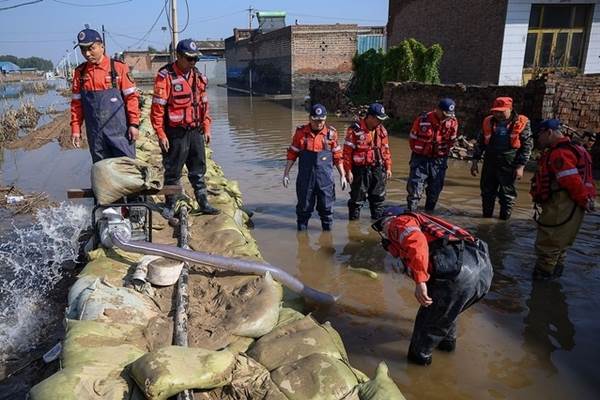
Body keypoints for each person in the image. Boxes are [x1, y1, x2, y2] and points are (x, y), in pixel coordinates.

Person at [372, 206, 493, 365]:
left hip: (458, 274)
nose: (384, 233)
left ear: (389, 219)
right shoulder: (422, 222)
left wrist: (420, 282)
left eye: (382, 227)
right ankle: (447, 356)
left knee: (423, 336)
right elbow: (411, 249)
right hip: (482, 269)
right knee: (447, 315)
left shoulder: (398, 222)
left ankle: (418, 375)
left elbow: (416, 243)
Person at [150, 38, 220, 216]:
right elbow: (157, 109)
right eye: (189, 59)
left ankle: (203, 202)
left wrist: (207, 127)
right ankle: (170, 204)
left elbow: (204, 104)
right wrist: (160, 133)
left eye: (195, 59)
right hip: (175, 133)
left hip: (195, 130)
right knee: (173, 171)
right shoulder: (165, 77)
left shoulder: (198, 76)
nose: (193, 62)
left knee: (198, 169)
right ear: (178, 56)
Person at [530, 119, 596, 280]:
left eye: (539, 135)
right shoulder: (576, 149)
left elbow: (571, 180)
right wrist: (587, 200)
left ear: (549, 132)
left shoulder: (560, 153)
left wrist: (583, 200)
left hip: (563, 204)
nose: (538, 140)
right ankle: (553, 284)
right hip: (572, 204)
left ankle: (540, 287)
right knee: (560, 246)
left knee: (548, 245)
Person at [70, 28, 140, 163]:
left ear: (102, 46)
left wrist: (134, 124)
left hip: (121, 134)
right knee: (102, 172)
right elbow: (76, 105)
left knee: (125, 169)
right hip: (96, 136)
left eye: (91, 48)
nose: (87, 54)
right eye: (83, 50)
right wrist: (75, 129)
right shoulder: (80, 73)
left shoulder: (118, 68)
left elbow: (131, 98)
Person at [283, 104, 347, 231]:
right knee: (303, 210)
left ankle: (327, 239)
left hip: (325, 180)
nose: (319, 123)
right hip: (305, 180)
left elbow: (338, 156)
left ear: (325, 119)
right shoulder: (301, 133)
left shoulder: (331, 134)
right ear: (310, 118)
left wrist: (343, 175)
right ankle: (302, 240)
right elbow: (292, 154)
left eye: (321, 120)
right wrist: (286, 173)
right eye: (316, 120)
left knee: (327, 210)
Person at [471, 97, 533, 220]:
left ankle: (504, 222)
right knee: (487, 192)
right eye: (496, 111)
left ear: (510, 109)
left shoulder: (521, 122)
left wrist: (521, 166)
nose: (498, 114)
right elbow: (480, 142)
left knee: (507, 194)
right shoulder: (488, 121)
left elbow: (527, 146)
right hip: (490, 161)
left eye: (501, 111)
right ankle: (486, 220)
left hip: (509, 162)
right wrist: (475, 161)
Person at [406, 98, 458, 212]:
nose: (446, 117)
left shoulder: (453, 122)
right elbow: (412, 140)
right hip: (420, 159)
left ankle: (429, 213)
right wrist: (420, 152)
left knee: (435, 190)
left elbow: (451, 142)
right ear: (437, 110)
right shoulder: (422, 120)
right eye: (444, 114)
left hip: (439, 160)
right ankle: (411, 213)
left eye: (448, 115)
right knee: (415, 188)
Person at [343, 103, 393, 220]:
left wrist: (388, 167)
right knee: (357, 200)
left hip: (377, 168)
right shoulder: (354, 130)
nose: (380, 122)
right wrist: (348, 171)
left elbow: (385, 150)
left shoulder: (382, 130)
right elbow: (346, 154)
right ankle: (353, 227)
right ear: (370, 117)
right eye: (378, 119)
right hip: (360, 171)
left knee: (378, 199)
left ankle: (376, 224)